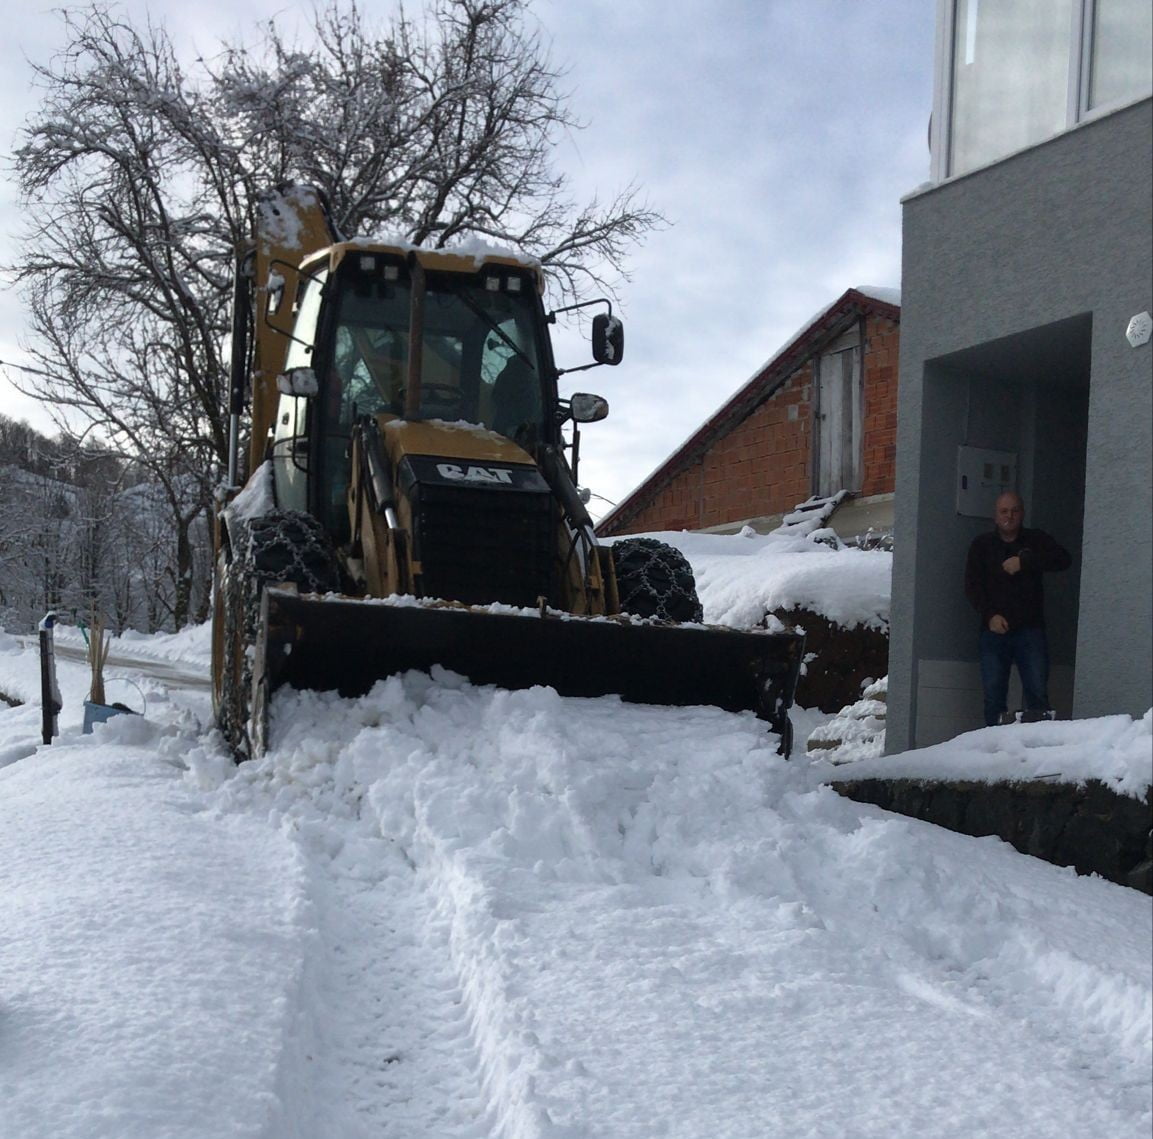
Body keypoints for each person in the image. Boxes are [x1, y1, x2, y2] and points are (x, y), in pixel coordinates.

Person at [964, 491, 1071, 726]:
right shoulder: (982, 546)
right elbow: (972, 586)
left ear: (1022, 514)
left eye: (1014, 511)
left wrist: (1025, 562)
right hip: (994, 631)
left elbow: (1063, 559)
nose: (1009, 516)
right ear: (995, 516)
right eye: (1004, 511)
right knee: (993, 698)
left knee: (1037, 695)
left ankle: (1037, 750)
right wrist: (990, 615)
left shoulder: (1035, 541)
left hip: (1030, 630)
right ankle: (992, 752)